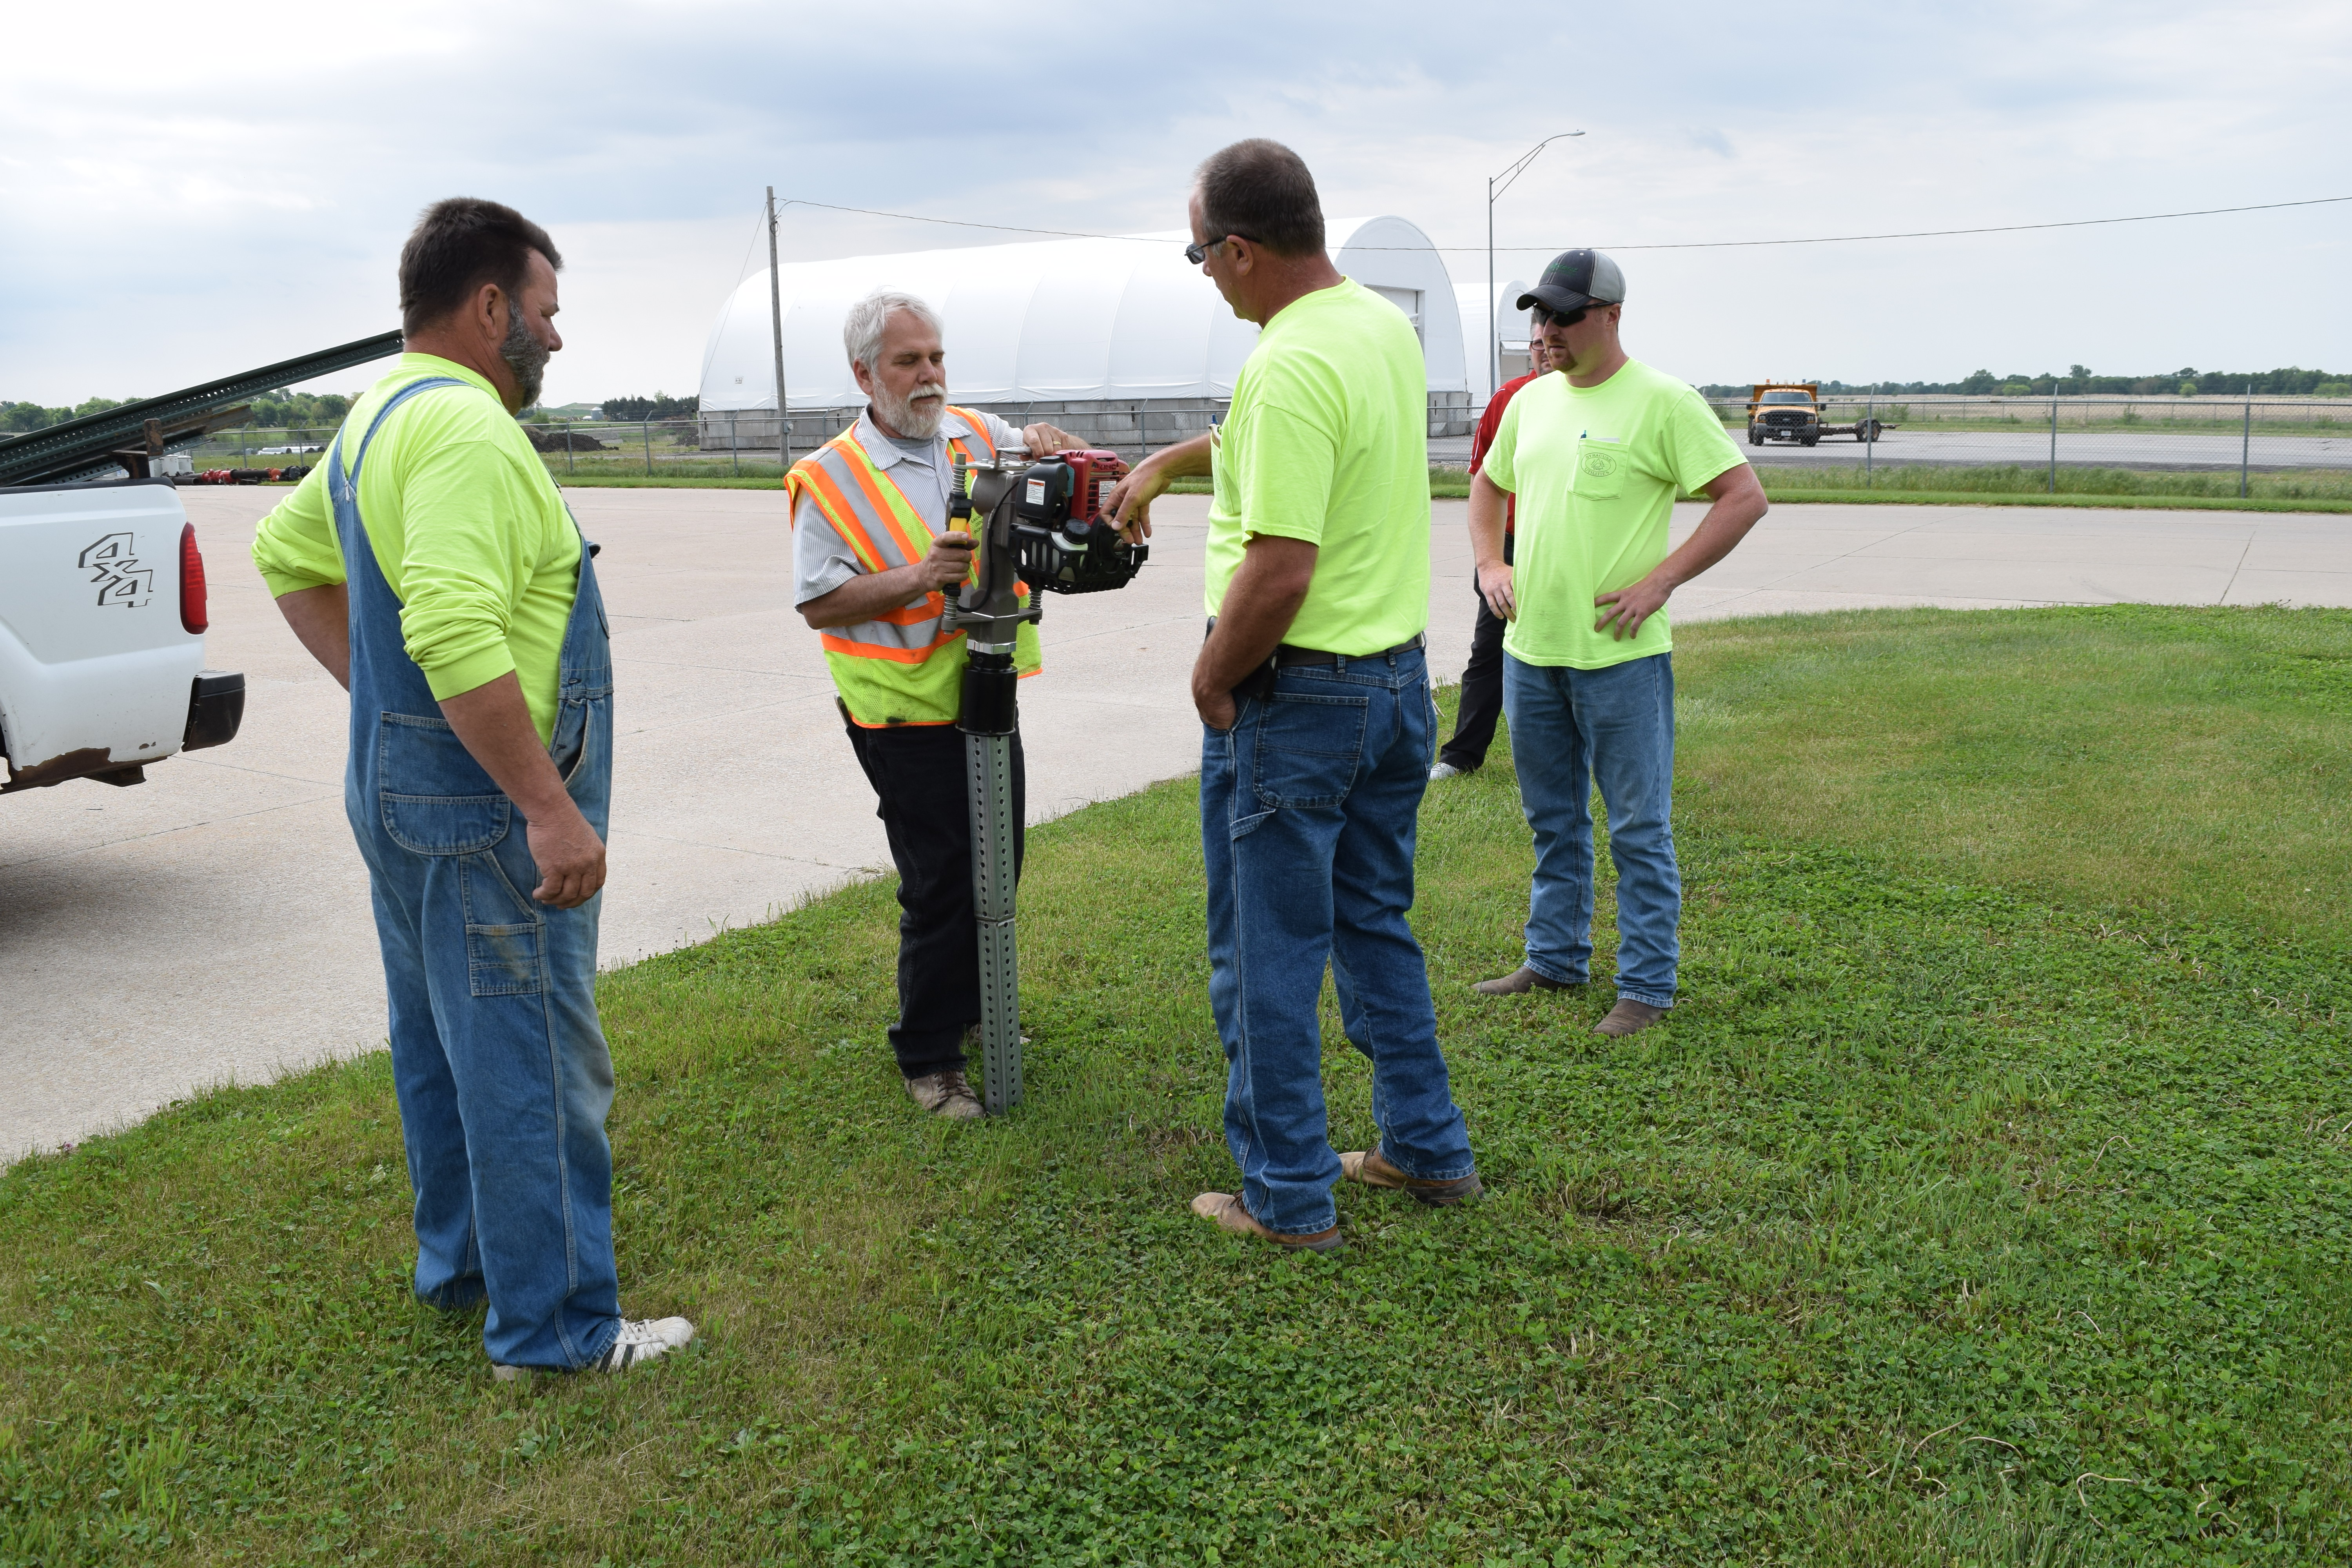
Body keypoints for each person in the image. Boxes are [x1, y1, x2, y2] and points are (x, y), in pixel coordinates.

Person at [251, 198, 692, 1378]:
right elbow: (450, 626)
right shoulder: (463, 432)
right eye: (546, 314)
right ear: (490, 305)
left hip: (405, 793)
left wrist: (382, 711)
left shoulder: (375, 418)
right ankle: (552, 1332)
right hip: (484, 813)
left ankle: (463, 1268)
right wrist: (546, 805)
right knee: (531, 1052)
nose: (555, 340)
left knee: (441, 1038)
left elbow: (286, 558)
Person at [1108, 140, 1477, 1253]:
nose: (1203, 274)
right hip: (1396, 687)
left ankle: (1286, 1196)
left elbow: (1280, 567)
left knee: (1266, 954)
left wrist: (1213, 676)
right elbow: (1278, 449)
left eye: (1200, 254)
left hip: (1298, 699)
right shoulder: (1375, 330)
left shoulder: (1285, 363)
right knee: (1371, 925)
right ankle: (1425, 1146)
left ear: (1238, 248)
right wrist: (1170, 464)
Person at [788, 290, 1081, 1122]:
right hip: (899, 711)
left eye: (937, 358)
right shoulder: (830, 476)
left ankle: (980, 1008)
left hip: (985, 691)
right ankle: (929, 1053)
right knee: (943, 879)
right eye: (908, 362)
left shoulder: (971, 433)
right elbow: (817, 603)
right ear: (864, 373)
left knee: (998, 863)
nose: (929, 377)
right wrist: (921, 577)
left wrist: (1055, 441)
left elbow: (1043, 449)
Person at [1467, 249, 1769, 1035]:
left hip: (1621, 657)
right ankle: (1556, 957)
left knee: (1638, 827)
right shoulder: (1532, 401)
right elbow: (1488, 483)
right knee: (1552, 818)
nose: (1548, 330)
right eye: (1540, 315)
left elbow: (1743, 497)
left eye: (1564, 314)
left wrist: (1660, 581)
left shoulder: (1664, 402)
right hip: (1532, 651)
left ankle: (1645, 987)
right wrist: (1490, 559)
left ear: (1611, 316)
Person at [1430, 336, 1553, 780]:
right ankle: (1460, 756)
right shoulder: (1509, 399)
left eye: (1549, 343)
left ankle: (1578, 753)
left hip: (1565, 545)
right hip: (1510, 548)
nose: (1543, 351)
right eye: (1536, 343)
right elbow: (1483, 479)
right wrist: (1490, 560)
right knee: (1490, 650)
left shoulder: (1592, 398)